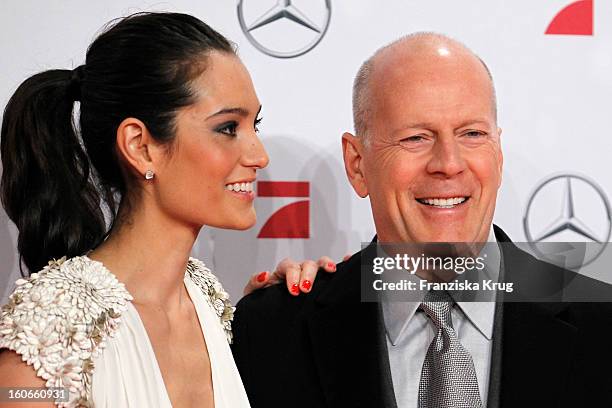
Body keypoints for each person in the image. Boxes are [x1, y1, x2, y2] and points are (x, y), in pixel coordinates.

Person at [231, 33, 612, 408]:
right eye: (415, 138)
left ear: (498, 152)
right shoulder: (271, 331)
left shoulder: (602, 323)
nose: (448, 163)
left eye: (472, 134)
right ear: (357, 164)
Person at [0, 12, 334, 408]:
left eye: (255, 125)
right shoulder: (52, 327)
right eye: (228, 128)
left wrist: (277, 313)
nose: (259, 155)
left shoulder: (208, 300)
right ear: (140, 146)